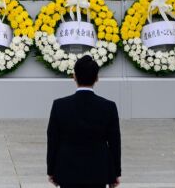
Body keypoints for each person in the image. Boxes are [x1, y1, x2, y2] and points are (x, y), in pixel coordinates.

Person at [46, 55, 121, 188]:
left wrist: (52, 170)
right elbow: (114, 143)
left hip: (67, 171)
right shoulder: (109, 106)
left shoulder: (60, 105)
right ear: (97, 78)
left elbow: (53, 141)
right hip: (99, 172)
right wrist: (115, 173)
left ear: (74, 76)